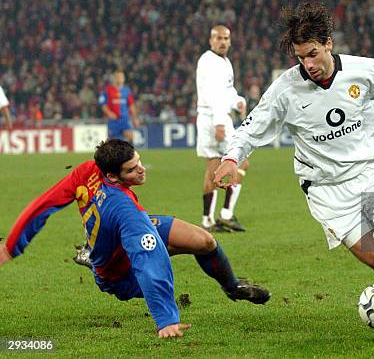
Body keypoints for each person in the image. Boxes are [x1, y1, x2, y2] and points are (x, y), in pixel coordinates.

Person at [214, 3, 374, 337]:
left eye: (312, 54)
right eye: (300, 58)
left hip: (371, 175)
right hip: (326, 191)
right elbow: (251, 128)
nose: (308, 65)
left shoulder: (364, 71)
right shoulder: (285, 89)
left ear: (328, 43)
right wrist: (230, 157)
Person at [0, 139, 270, 338]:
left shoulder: (88, 172)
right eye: (132, 169)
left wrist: (11, 247)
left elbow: (44, 203)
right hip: (119, 274)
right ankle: (96, 260)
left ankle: (233, 287)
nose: (141, 170)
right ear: (112, 176)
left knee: (205, 241)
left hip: (117, 232)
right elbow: (146, 259)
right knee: (154, 257)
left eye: (138, 161)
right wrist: (166, 319)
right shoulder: (125, 209)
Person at [196, 25, 249, 233]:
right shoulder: (209, 62)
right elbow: (213, 94)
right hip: (213, 119)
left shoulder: (223, 62)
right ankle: (223, 215)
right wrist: (219, 122)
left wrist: (237, 102)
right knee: (239, 162)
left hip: (219, 118)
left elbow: (227, 91)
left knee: (217, 167)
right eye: (218, 38)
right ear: (211, 41)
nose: (223, 42)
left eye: (226, 38)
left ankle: (209, 219)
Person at [99, 67, 141, 143]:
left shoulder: (127, 91)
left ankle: (129, 154)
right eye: (118, 77)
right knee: (113, 143)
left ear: (124, 78)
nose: (119, 78)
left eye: (121, 77)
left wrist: (135, 118)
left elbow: (131, 106)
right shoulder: (108, 90)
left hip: (124, 119)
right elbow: (103, 104)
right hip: (113, 121)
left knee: (130, 136)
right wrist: (109, 113)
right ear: (114, 78)